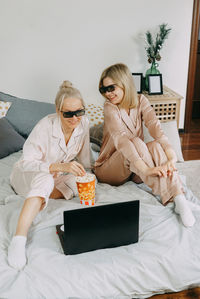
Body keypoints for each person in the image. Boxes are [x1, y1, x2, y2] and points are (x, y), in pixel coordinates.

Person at [94, 63, 195, 228]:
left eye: (111, 88)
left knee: (155, 145)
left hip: (135, 168)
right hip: (111, 169)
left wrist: (171, 155)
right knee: (135, 142)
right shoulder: (109, 108)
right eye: (104, 90)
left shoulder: (141, 100)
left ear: (124, 83)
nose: (108, 94)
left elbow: (155, 127)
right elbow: (122, 141)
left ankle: (178, 197)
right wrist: (147, 169)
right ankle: (173, 197)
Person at [8, 80, 91, 270]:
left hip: (59, 174)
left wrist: (86, 173)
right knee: (45, 179)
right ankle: (18, 239)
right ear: (57, 110)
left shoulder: (83, 123)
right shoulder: (44, 126)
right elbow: (26, 163)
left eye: (79, 112)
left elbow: (85, 156)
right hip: (28, 174)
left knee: (80, 182)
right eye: (68, 114)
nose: (74, 118)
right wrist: (59, 166)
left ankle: (32, 201)